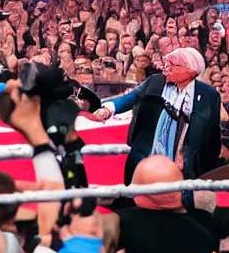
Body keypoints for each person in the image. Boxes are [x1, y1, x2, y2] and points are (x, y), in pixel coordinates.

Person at [93, 48, 222, 186]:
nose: (166, 69)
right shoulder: (155, 82)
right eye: (166, 64)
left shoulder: (209, 95)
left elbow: (212, 135)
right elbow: (132, 97)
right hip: (148, 157)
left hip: (186, 167)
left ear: (190, 71)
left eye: (172, 65)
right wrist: (108, 109)